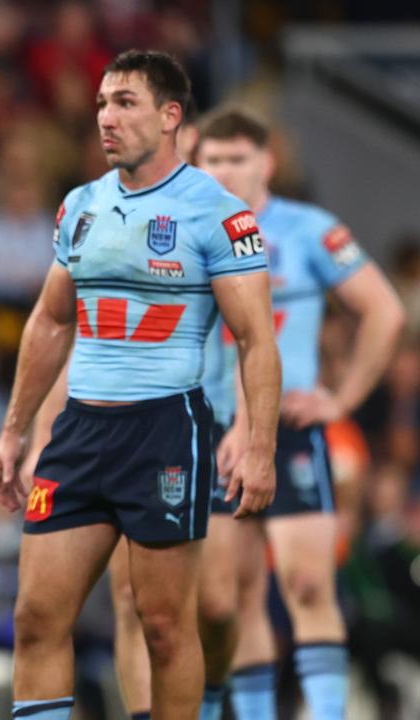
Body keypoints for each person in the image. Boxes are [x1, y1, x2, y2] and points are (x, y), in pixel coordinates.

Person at [0, 51, 282, 720]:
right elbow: (50, 321)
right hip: (79, 433)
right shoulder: (80, 206)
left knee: (165, 626)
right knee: (35, 618)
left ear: (171, 116)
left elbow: (257, 341)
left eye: (125, 103)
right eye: (100, 104)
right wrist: (13, 431)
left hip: (164, 430)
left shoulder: (218, 215)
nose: (106, 118)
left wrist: (259, 446)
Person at [108, 109, 404, 720]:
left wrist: (340, 399)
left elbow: (384, 311)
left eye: (238, 158)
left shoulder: (309, 230)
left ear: (266, 164)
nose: (226, 170)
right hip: (209, 431)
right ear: (197, 163)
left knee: (307, 583)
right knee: (223, 601)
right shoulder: (183, 231)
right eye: (214, 160)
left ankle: (327, 713)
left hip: (291, 429)